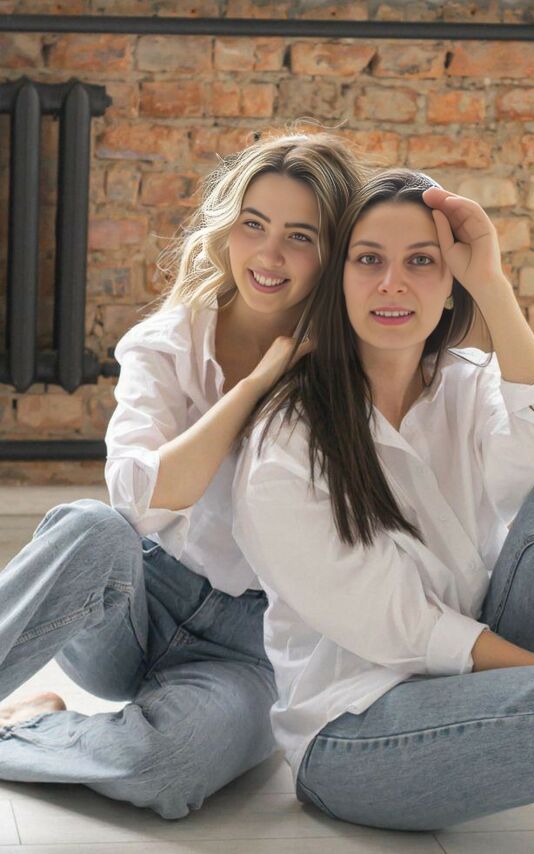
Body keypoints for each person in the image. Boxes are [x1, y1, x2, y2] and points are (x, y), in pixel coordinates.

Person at [232, 168, 534, 831]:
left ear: (451, 284)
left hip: (480, 671)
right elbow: (409, 630)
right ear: (339, 280)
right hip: (356, 732)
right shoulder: (286, 443)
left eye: (421, 262)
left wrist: (494, 287)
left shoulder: (465, 384)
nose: (393, 283)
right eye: (369, 260)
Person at [0, 130, 367, 819]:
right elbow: (140, 499)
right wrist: (255, 384)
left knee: (168, 771)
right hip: (135, 604)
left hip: (251, 649)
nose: (268, 255)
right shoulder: (167, 343)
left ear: (335, 253)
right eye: (254, 225)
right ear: (228, 228)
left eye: (300, 237)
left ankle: (38, 726)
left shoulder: (355, 374)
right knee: (91, 527)